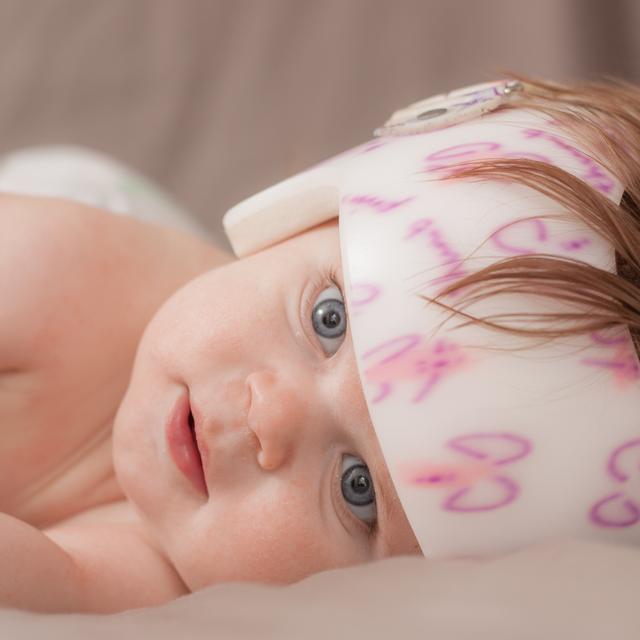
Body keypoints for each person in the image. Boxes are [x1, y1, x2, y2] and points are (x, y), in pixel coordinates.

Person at [1, 75, 639, 614]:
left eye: (356, 487)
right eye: (328, 319)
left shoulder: (177, 585)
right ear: (297, 214)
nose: (268, 417)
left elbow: (45, 585)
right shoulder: (60, 270)